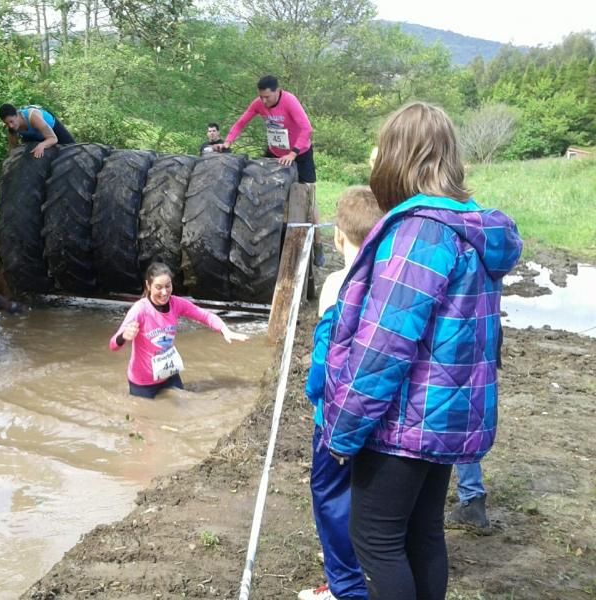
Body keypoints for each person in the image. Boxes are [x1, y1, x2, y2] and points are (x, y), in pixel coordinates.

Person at [321, 102, 522, 600]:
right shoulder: (470, 231)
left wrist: (342, 431)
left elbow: (382, 347)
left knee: (375, 540)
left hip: (405, 423)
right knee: (423, 532)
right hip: (447, 417)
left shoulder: (418, 233)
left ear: (396, 158)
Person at [298, 187, 383, 600]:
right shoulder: (390, 280)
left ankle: (344, 588)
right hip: (379, 421)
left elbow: (324, 360)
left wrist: (312, 392)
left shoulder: (335, 284)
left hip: (333, 420)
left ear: (337, 237)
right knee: (368, 504)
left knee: (331, 500)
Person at [109, 262, 248, 398]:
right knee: (145, 418)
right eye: (158, 287)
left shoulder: (176, 303)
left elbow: (205, 316)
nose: (164, 293)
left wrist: (225, 330)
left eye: (168, 286)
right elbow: (113, 345)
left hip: (169, 374)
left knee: (182, 410)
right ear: (148, 286)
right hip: (143, 382)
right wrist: (123, 336)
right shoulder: (140, 310)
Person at [216, 75, 315, 183]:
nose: (264, 101)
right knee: (262, 184)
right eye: (261, 96)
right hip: (275, 153)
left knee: (306, 188)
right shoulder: (258, 103)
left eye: (267, 97)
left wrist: (292, 154)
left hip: (300, 153)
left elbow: (307, 129)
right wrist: (227, 142)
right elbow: (241, 123)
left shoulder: (290, 101)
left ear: (277, 91)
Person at [0, 103, 75, 158]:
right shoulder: (11, 128)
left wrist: (42, 145)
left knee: (73, 150)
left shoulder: (33, 117)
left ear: (17, 115)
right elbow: (13, 148)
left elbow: (53, 139)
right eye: (7, 123)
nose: (10, 126)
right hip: (33, 136)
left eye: (11, 121)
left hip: (53, 131)